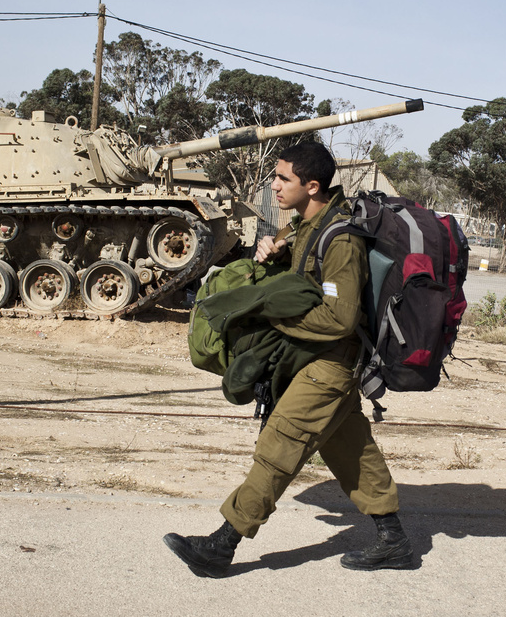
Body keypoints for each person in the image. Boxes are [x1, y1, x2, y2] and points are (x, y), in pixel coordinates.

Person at [163, 141, 414, 577]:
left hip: (331, 362)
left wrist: (275, 324)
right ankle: (393, 541)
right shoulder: (305, 226)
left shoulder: (341, 239)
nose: (274, 186)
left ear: (312, 186)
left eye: (283, 179)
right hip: (319, 358)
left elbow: (339, 317)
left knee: (279, 446)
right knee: (350, 447)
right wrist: (272, 250)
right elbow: (299, 275)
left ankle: (223, 545)